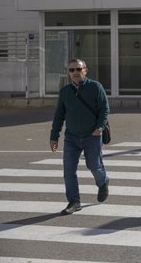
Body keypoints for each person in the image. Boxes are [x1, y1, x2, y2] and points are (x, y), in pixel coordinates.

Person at [49, 58, 110, 215]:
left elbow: (104, 109)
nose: (75, 72)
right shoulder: (65, 92)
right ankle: (74, 202)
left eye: (78, 69)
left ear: (85, 70)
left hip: (92, 136)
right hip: (71, 138)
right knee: (68, 171)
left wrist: (99, 128)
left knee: (94, 166)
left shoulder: (95, 87)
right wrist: (54, 136)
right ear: (68, 73)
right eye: (72, 70)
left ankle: (103, 182)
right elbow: (59, 116)